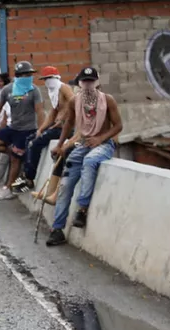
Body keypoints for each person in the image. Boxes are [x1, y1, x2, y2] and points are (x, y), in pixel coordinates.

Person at [47, 67, 122, 248]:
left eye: (91, 81)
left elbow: (118, 125)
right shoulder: (75, 101)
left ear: (97, 82)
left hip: (103, 145)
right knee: (65, 183)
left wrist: (100, 139)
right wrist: (60, 145)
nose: (88, 84)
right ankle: (57, 229)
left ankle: (82, 209)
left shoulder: (107, 100)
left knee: (89, 162)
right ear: (80, 83)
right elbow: (69, 124)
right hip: (82, 144)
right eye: (84, 81)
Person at [0, 61, 41, 200]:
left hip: (27, 129)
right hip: (12, 127)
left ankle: (9, 188)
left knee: (15, 161)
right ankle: (15, 151)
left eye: (30, 74)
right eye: (26, 74)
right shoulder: (8, 90)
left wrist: (41, 129)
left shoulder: (34, 90)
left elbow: (39, 111)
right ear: (18, 76)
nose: (29, 77)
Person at [23, 66, 75, 196]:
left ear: (55, 78)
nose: (47, 82)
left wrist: (63, 117)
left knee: (35, 144)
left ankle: (30, 177)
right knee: (30, 139)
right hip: (55, 127)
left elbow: (74, 103)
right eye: (44, 79)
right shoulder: (53, 93)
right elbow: (52, 114)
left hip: (65, 129)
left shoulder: (64, 88)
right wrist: (41, 129)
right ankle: (26, 173)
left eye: (48, 78)